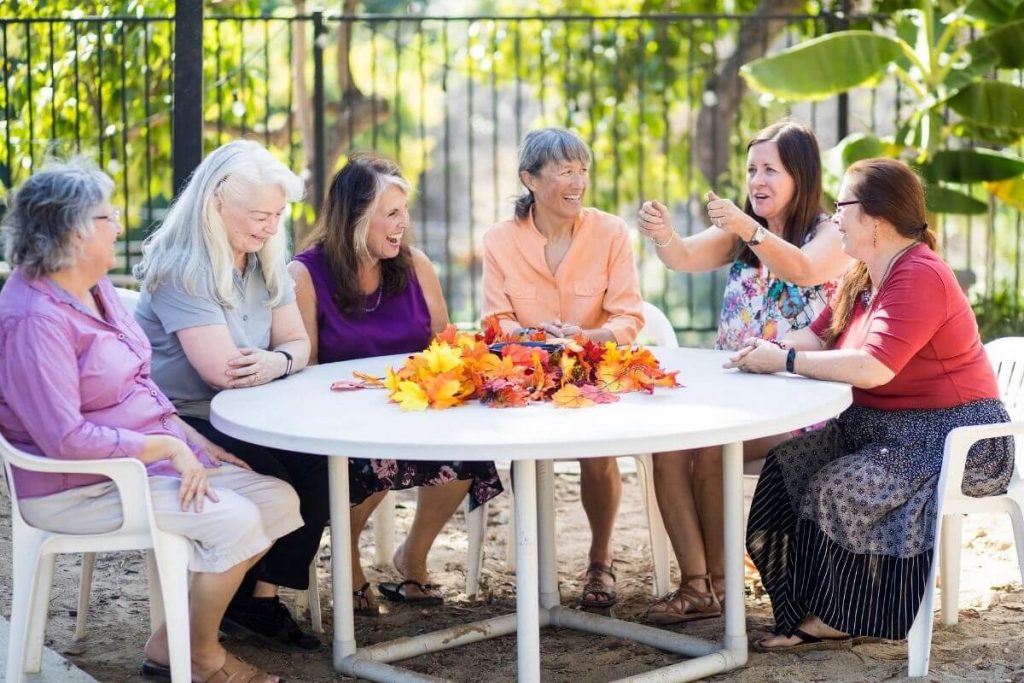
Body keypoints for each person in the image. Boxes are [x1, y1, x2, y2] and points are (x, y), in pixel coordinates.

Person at [0, 159, 301, 683]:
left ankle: (170, 643)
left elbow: (142, 384)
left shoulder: (95, 289)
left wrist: (187, 438)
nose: (119, 226)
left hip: (141, 460)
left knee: (277, 497)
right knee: (236, 520)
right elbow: (64, 439)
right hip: (83, 486)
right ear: (71, 230)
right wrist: (168, 449)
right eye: (107, 217)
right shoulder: (34, 318)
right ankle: (202, 657)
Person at [730, 157, 1014, 651]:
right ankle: (801, 605)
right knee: (785, 467)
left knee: (836, 486)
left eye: (843, 206)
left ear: (877, 219)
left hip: (957, 437)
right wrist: (766, 350)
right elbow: (818, 337)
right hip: (881, 427)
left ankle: (842, 615)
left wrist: (786, 361)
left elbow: (873, 367)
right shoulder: (863, 274)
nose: (834, 216)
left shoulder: (921, 275)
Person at [636, 120, 852, 623]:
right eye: (752, 168)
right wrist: (663, 233)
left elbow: (801, 269)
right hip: (737, 396)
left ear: (801, 176)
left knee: (712, 447)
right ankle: (697, 584)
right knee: (667, 446)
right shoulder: (741, 233)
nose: (757, 180)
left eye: (770, 170)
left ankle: (723, 583)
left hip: (803, 403)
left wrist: (747, 228)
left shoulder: (830, 235)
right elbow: (683, 258)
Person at [288, 154, 503, 612]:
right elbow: (304, 366)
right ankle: (349, 569)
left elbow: (441, 341)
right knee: (376, 458)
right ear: (356, 216)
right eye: (391, 213)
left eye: (404, 211)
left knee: (467, 450)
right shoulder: (305, 274)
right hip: (342, 421)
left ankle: (414, 557)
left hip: (411, 409)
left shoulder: (415, 265)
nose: (403, 223)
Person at [133, 140, 322, 652]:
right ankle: (235, 602)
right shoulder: (182, 267)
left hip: (255, 411)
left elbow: (298, 343)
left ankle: (258, 598)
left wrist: (277, 361)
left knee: (327, 465)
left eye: (277, 215)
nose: (268, 227)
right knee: (279, 475)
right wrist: (277, 362)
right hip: (190, 419)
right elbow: (222, 374)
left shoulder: (265, 257)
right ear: (218, 200)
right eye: (259, 214)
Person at [481, 127, 644, 609]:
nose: (579, 181)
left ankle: (600, 559)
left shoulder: (610, 232)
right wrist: (533, 338)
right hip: (527, 373)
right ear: (529, 179)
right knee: (522, 449)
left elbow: (630, 317)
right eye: (565, 171)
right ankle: (535, 563)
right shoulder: (499, 240)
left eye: (583, 170)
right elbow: (495, 320)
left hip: (597, 372)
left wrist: (585, 337)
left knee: (598, 450)